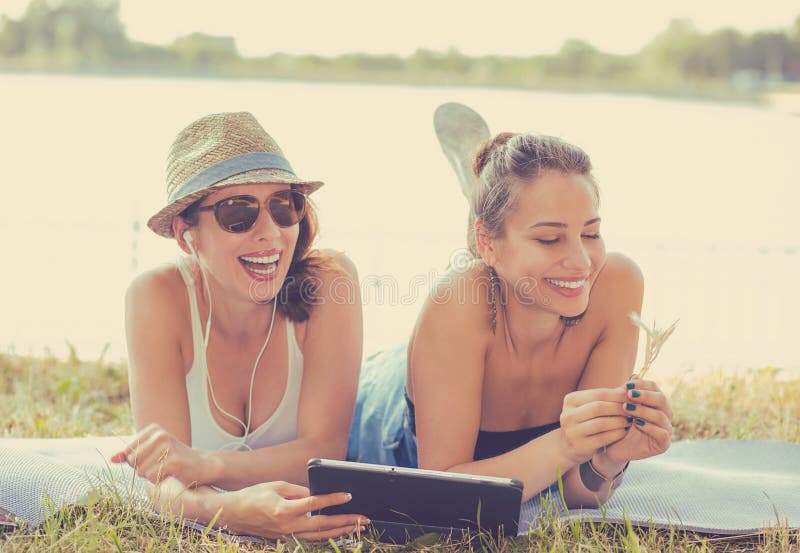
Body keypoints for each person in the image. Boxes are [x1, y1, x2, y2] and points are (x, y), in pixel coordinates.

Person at [349, 131, 673, 508]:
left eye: (591, 233)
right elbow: (440, 498)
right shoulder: (459, 300)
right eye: (550, 239)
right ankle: (485, 206)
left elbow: (577, 493)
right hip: (384, 404)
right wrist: (566, 443)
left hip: (460, 347)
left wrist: (610, 457)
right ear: (487, 243)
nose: (583, 262)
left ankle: (489, 199)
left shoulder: (617, 284)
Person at [110, 111, 365, 536]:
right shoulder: (156, 297)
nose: (271, 233)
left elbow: (326, 451)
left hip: (376, 405)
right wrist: (230, 512)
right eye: (238, 213)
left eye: (285, 207)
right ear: (185, 233)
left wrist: (206, 466)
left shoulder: (331, 280)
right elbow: (161, 481)